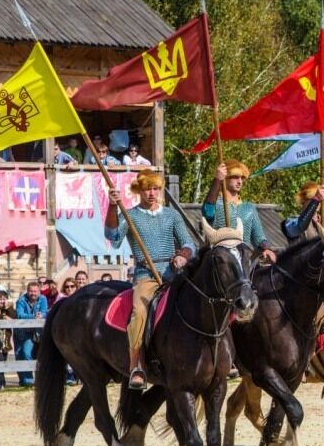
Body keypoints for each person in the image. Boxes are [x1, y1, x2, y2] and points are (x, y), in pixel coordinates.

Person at [105, 169, 195, 389]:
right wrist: (113, 206)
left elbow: (189, 243)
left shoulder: (171, 215)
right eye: (147, 189)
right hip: (146, 276)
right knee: (139, 313)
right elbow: (113, 238)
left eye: (155, 188)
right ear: (139, 191)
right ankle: (137, 366)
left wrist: (183, 256)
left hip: (173, 274)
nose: (152, 193)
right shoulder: (131, 215)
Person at [202, 159, 276, 262]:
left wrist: (267, 248)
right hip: (218, 261)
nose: (240, 181)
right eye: (235, 177)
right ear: (225, 178)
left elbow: (259, 238)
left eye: (242, 178)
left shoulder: (249, 208)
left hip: (243, 261)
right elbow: (207, 211)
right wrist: (217, 179)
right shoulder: (217, 204)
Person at [14, 281, 47, 387]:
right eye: (31, 291)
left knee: (31, 353)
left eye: (35, 291)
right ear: (27, 291)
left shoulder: (42, 299)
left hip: (36, 332)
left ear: (39, 291)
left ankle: (32, 380)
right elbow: (20, 315)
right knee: (21, 354)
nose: (33, 293)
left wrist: (39, 315)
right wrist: (34, 317)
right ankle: (25, 380)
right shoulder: (21, 300)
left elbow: (44, 312)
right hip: (22, 331)